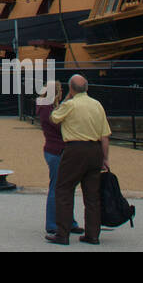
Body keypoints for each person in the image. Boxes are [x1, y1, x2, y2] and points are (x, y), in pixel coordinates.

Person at [47, 74, 111, 245]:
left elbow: (54, 118)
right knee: (92, 195)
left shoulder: (70, 104)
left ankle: (62, 234)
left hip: (75, 150)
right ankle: (93, 235)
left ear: (71, 89)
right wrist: (105, 158)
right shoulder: (97, 105)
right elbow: (105, 136)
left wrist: (66, 99)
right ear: (87, 88)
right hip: (95, 150)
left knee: (64, 190)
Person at [36, 81, 82, 237]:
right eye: (60, 90)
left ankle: (67, 221)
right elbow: (58, 124)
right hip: (57, 150)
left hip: (55, 149)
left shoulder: (46, 107)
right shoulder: (47, 109)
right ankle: (53, 223)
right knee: (57, 187)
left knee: (65, 187)